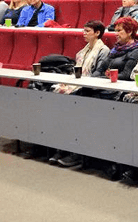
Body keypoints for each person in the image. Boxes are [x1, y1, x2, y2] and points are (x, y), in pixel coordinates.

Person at [50, 20, 110, 167]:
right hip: (80, 84)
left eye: (87, 31)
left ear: (97, 33)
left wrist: (78, 84)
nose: (84, 33)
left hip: (91, 89)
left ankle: (75, 153)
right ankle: (61, 148)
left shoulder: (103, 51)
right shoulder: (84, 50)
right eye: (83, 30)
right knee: (54, 96)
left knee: (71, 113)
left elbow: (97, 73)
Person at [98, 17, 138, 82]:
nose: (116, 34)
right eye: (115, 31)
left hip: (120, 87)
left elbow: (126, 75)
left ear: (129, 32)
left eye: (119, 31)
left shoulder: (137, 50)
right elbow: (99, 70)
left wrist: (105, 78)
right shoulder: (115, 49)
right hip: (107, 82)